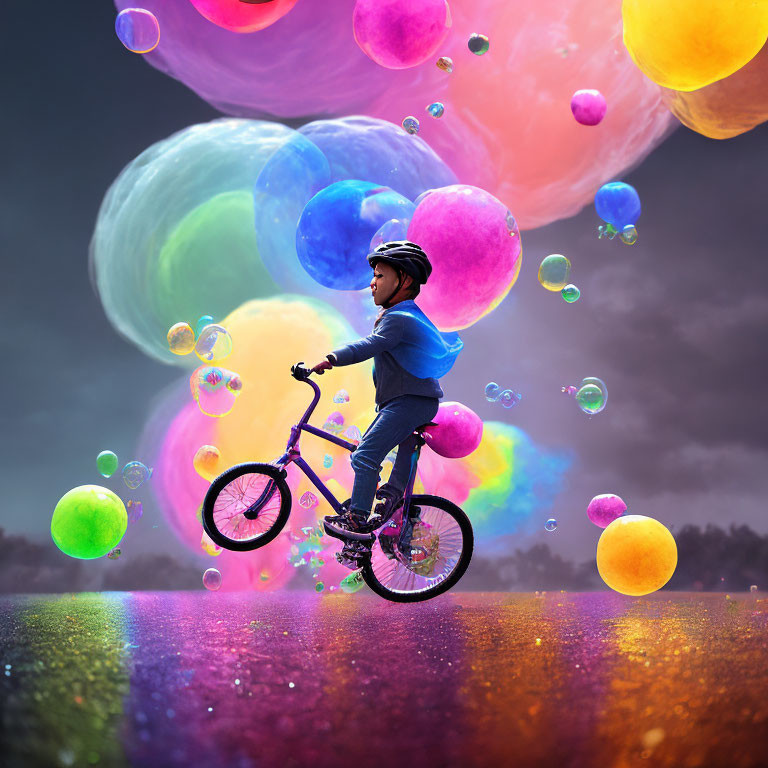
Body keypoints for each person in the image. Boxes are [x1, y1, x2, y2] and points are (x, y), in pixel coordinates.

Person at [309, 240, 461, 543]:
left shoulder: (399, 318)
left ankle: (357, 519)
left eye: (380, 275)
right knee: (387, 447)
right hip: (408, 402)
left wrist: (332, 358)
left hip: (409, 403)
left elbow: (369, 345)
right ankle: (392, 502)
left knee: (365, 455)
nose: (372, 282)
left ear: (404, 280)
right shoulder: (406, 316)